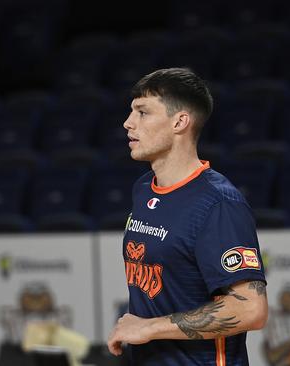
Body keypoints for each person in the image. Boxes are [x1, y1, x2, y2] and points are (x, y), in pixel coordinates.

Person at [107, 68, 268, 365]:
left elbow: (251, 309)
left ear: (180, 121)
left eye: (143, 112)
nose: (128, 123)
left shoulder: (218, 203)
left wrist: (149, 328)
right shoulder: (143, 189)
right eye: (131, 112)